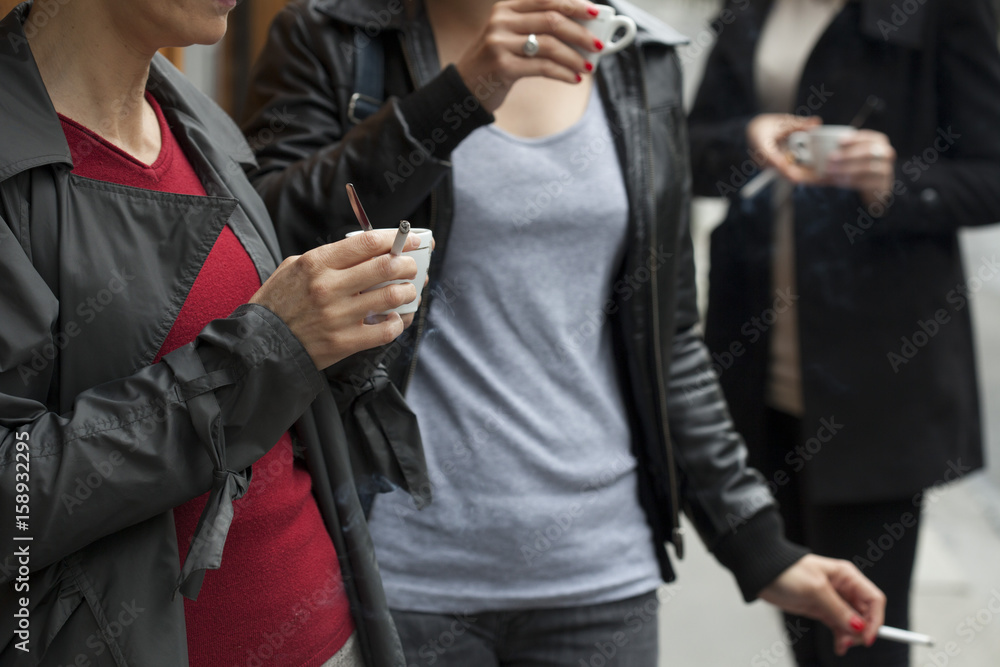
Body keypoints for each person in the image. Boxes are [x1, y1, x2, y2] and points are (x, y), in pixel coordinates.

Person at [242, 0, 888, 664]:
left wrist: (759, 544)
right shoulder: (334, 37)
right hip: (402, 574)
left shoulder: (638, 57)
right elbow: (269, 245)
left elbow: (667, 336)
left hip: (600, 574)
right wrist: (459, 96)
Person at [0, 0, 429, 665]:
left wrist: (332, 335)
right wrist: (264, 352)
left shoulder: (197, 123)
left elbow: (259, 395)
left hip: (332, 633)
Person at [688, 0, 1000, 665]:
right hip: (754, 358)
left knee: (860, 638)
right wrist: (747, 138)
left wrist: (897, 182)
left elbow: (991, 171)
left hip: (876, 378)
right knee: (800, 613)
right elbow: (688, 148)